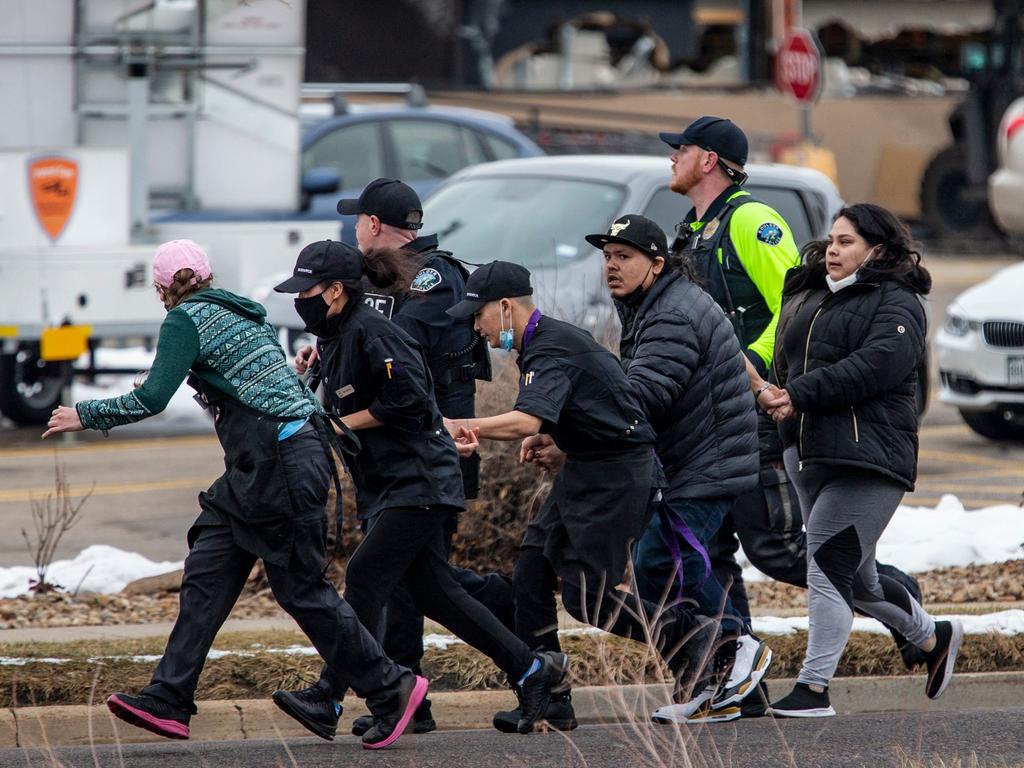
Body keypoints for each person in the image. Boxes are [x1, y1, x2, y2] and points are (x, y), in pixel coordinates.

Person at [41, 240, 426, 750]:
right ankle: (169, 696)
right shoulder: (242, 312)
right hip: (266, 466)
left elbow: (153, 397)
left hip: (279, 463)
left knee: (300, 590)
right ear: (206, 275)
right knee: (209, 567)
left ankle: (391, 687)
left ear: (161, 289)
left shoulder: (186, 320)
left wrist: (85, 414)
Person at [661, 116, 926, 715]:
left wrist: (765, 380)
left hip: (756, 408)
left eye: (680, 150)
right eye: (830, 243)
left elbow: (786, 311)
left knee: (780, 549)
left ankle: (892, 606)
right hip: (715, 415)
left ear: (709, 160)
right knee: (709, 546)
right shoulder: (692, 227)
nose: (670, 159)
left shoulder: (751, 219)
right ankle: (738, 678)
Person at [271, 240, 567, 738]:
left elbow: (408, 400)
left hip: (419, 479)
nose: (301, 300)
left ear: (338, 292)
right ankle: (533, 670)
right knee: (436, 593)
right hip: (392, 483)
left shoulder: (374, 332)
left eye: (308, 291)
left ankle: (336, 695)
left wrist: (339, 425)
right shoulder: (339, 337)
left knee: (365, 575)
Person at [444, 260, 714, 730]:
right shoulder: (539, 345)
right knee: (530, 573)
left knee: (587, 599)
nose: (475, 327)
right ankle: (550, 694)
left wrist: (464, 425)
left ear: (506, 307)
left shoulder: (552, 348)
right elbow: (586, 406)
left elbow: (527, 419)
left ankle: (691, 637)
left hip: (618, 477)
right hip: (588, 467)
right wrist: (560, 439)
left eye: (478, 315)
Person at [295, 178, 504, 736]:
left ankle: (512, 625)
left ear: (370, 224)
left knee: (406, 581)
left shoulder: (433, 274)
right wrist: (327, 348)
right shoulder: (371, 282)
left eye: (357, 221)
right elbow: (361, 340)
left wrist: (350, 339)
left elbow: (398, 350)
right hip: (389, 457)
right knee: (416, 584)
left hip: (432, 450)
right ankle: (413, 696)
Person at [760, 204, 961, 716]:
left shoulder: (900, 303)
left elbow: (875, 366)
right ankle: (932, 635)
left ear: (877, 249)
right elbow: (784, 365)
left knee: (826, 566)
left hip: (867, 458)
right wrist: (779, 429)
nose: (832, 248)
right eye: (831, 239)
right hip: (807, 451)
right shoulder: (807, 293)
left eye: (846, 241)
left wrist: (799, 394)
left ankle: (813, 689)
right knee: (860, 579)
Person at [581, 214, 771, 724]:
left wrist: (573, 420)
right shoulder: (652, 303)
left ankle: (735, 648)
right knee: (697, 565)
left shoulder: (670, 314)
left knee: (659, 565)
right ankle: (730, 685)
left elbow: (645, 394)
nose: (612, 267)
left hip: (702, 464)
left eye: (624, 257)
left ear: (656, 263)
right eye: (607, 256)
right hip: (696, 460)